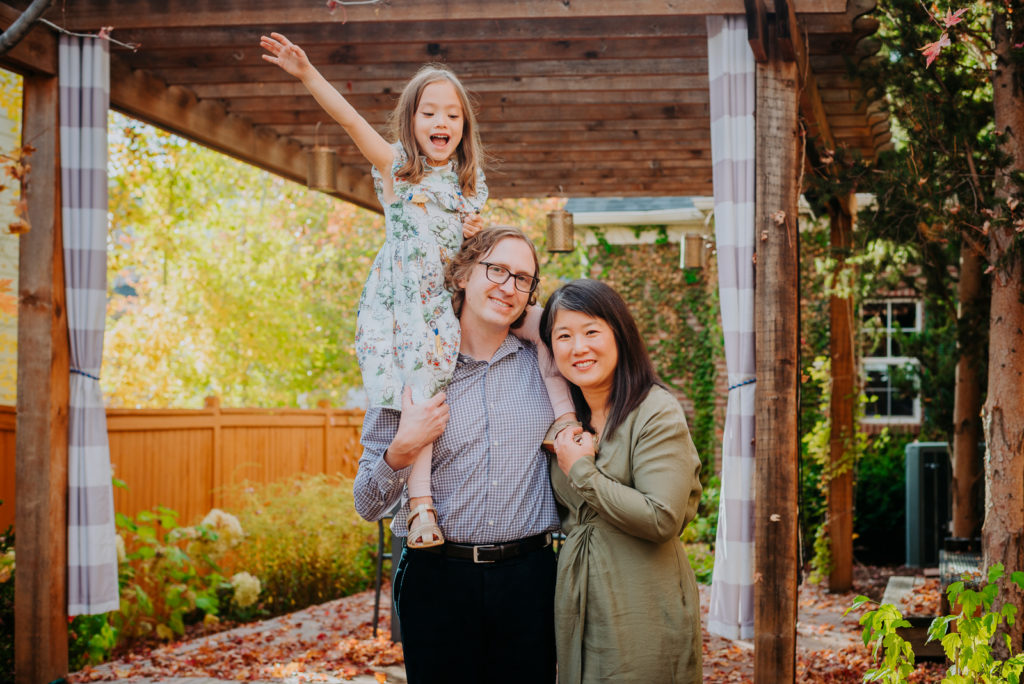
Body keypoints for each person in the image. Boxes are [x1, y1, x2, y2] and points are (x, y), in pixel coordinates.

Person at [260, 35, 571, 548]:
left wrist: (474, 237)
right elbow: (352, 123)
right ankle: (421, 507)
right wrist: (308, 73)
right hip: (407, 308)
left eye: (452, 114)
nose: (441, 123)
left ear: (464, 125)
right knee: (423, 401)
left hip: (449, 302)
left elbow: (470, 254)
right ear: (411, 122)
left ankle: (562, 422)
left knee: (548, 325)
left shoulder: (470, 186)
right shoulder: (398, 173)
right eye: (429, 113)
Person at [354, 227, 561, 683]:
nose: (508, 286)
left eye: (522, 278)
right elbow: (365, 503)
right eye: (497, 269)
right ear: (463, 273)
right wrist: (402, 449)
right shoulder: (410, 372)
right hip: (437, 578)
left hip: (531, 580)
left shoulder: (546, 367)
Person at [539, 279, 704, 684]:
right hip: (578, 598)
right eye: (563, 335)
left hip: (641, 601)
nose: (578, 348)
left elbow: (661, 517)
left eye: (592, 331)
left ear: (620, 333)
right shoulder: (567, 419)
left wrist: (582, 470)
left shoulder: (655, 412)